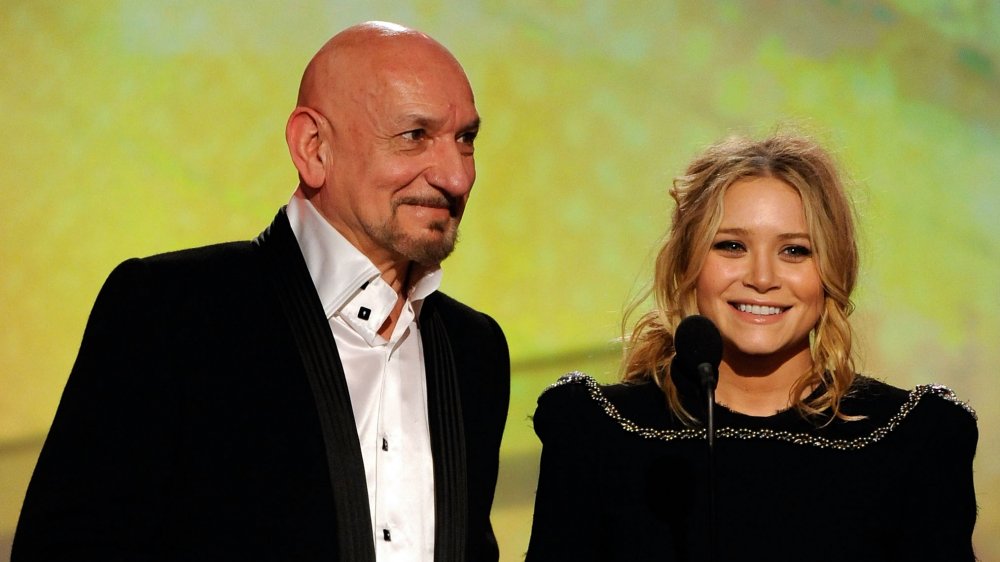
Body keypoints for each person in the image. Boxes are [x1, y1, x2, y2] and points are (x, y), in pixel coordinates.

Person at [13, 21, 509, 561]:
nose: (456, 178)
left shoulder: (473, 351)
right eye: (416, 136)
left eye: (466, 140)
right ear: (313, 147)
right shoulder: (170, 313)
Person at [525, 133, 978, 561]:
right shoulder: (596, 430)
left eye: (795, 251)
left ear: (833, 269)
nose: (762, 278)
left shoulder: (915, 439)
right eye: (732, 245)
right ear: (688, 263)